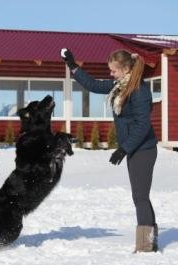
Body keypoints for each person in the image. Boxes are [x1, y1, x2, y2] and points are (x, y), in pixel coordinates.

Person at [61, 48, 158, 253]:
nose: (111, 74)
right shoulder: (119, 86)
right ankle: (149, 240)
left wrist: (124, 149)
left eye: (114, 70)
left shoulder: (139, 91)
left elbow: (143, 125)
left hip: (143, 149)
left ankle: (146, 246)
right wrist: (73, 66)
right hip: (133, 148)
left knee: (140, 196)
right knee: (139, 196)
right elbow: (94, 85)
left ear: (124, 69)